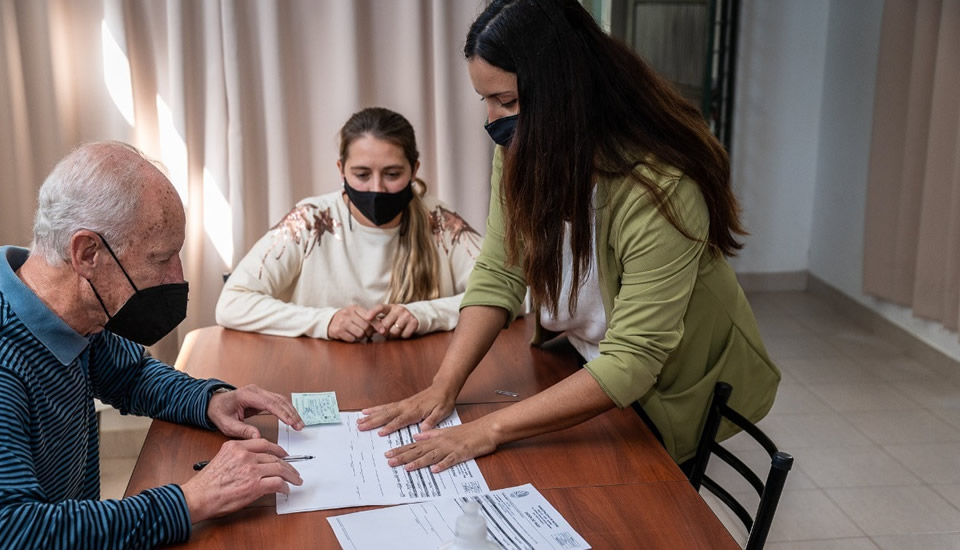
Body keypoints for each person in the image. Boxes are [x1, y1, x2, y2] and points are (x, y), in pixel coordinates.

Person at [358, 0, 780, 472]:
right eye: (488, 101)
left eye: (509, 102)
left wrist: (486, 429)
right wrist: (443, 386)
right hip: (587, 359)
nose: (494, 121)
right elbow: (500, 270)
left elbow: (633, 359)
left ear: (564, 92)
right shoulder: (522, 147)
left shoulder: (662, 190)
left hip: (668, 385)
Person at [0, 141, 306, 548]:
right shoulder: (8, 360)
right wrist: (191, 499)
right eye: (162, 258)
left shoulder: (69, 310)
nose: (176, 276)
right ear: (87, 252)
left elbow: (132, 376)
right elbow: (16, 531)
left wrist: (210, 399)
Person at [216, 107, 482, 342]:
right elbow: (232, 303)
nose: (377, 188)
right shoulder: (309, 221)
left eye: (392, 174)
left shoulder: (439, 220)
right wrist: (326, 322)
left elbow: (507, 294)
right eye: (362, 174)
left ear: (414, 169)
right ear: (341, 169)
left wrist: (425, 314)